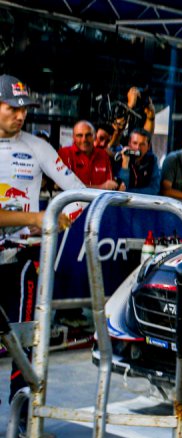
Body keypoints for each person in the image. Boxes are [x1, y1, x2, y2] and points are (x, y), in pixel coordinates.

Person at [0, 74, 84, 411]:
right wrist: (36, 217)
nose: (21, 115)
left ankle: (22, 410)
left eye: (25, 109)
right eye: (12, 108)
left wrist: (58, 220)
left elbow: (79, 193)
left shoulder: (37, 147)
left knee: (25, 335)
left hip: (21, 255)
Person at [58, 121, 121, 190]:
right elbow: (67, 186)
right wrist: (102, 187)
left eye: (88, 135)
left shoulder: (103, 154)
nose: (84, 139)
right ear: (73, 137)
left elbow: (111, 185)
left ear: (94, 136)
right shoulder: (65, 153)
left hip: (101, 197)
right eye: (79, 135)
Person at [113, 128, 160, 195]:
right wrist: (125, 164)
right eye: (135, 143)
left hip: (143, 200)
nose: (138, 148)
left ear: (148, 146)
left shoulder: (152, 160)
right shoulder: (120, 157)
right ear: (129, 144)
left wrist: (129, 192)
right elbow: (121, 188)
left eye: (142, 144)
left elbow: (154, 189)